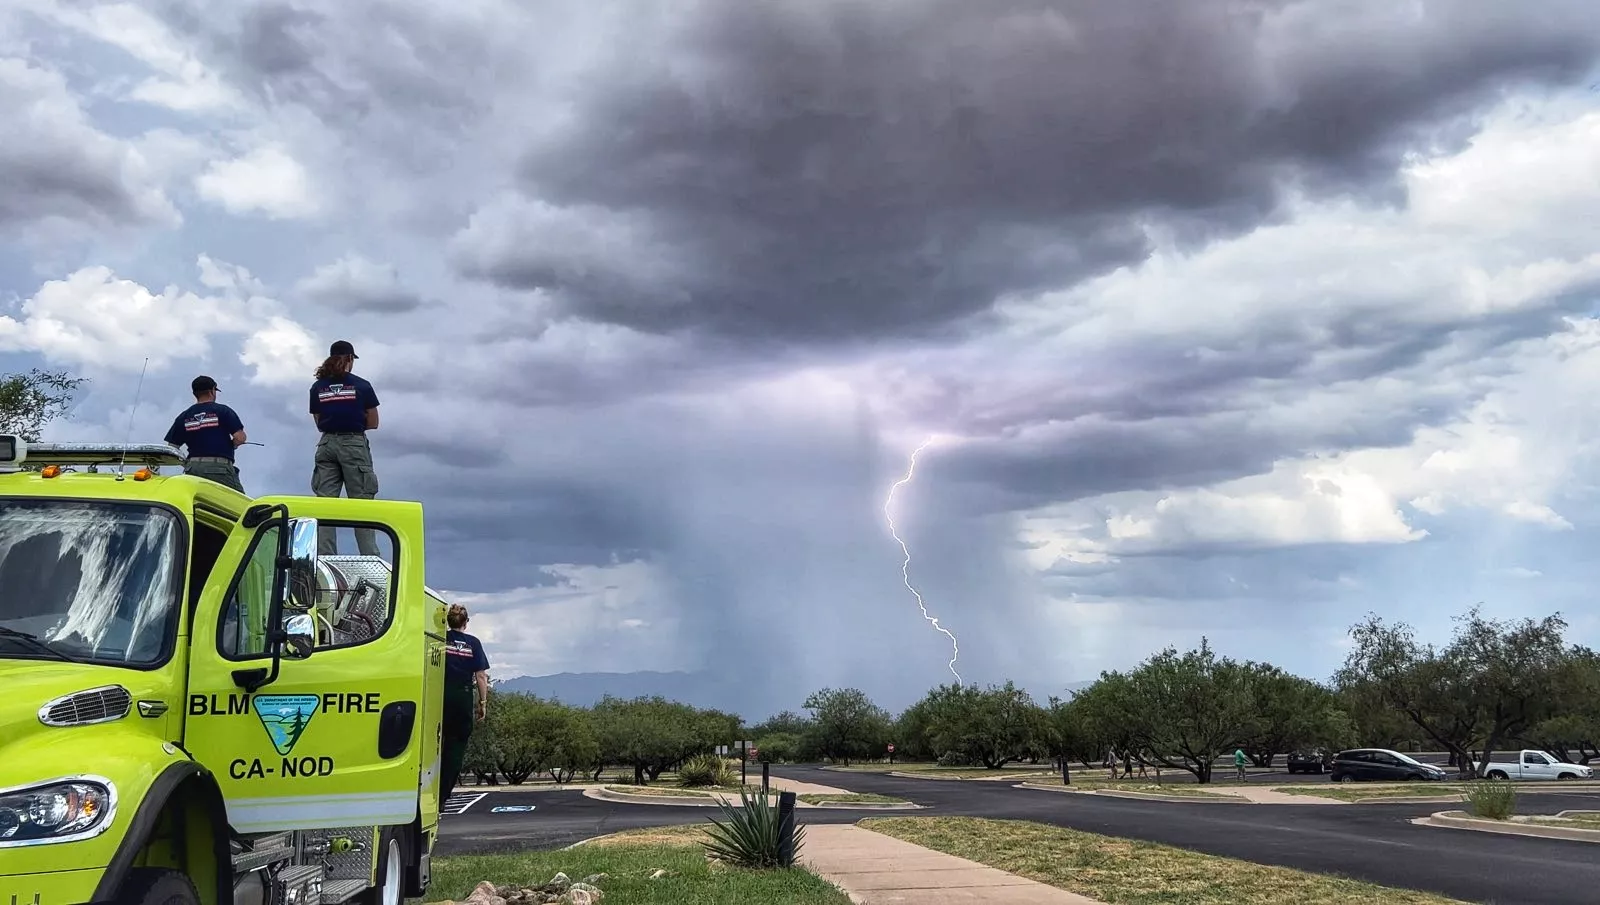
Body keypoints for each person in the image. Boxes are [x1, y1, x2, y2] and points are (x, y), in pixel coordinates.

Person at [309, 339, 381, 556]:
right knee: (361, 504)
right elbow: (373, 422)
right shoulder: (361, 385)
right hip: (353, 444)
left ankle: (324, 559)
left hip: (326, 443)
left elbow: (318, 419)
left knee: (325, 505)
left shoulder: (317, 387)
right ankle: (369, 557)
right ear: (350, 359)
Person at [440, 603, 490, 802]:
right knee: (455, 748)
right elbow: (481, 676)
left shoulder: (440, 639)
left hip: (439, 694)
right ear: (466, 623)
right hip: (461, 697)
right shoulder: (473, 643)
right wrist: (482, 702)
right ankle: (442, 795)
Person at [163, 375, 247, 492]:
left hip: (192, 470)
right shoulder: (223, 411)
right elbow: (240, 437)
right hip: (219, 469)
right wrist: (232, 445)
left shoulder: (184, 416)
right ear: (212, 391)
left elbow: (172, 448)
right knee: (240, 504)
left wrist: (187, 464)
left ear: (194, 394)